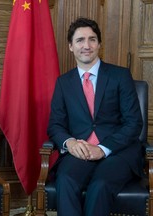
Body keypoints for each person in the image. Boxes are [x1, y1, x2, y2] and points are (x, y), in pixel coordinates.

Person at [47, 17, 143, 216]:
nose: (86, 45)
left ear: (99, 44)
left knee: (100, 185)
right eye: (80, 40)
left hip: (117, 152)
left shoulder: (120, 76)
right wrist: (70, 143)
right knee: (66, 181)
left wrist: (103, 149)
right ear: (71, 47)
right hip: (79, 151)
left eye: (92, 39)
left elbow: (134, 123)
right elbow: (55, 125)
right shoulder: (63, 83)